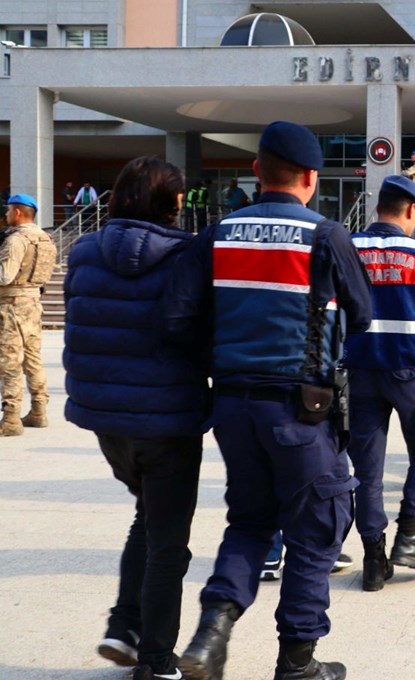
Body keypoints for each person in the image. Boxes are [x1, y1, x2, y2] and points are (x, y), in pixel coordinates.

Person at [167, 121, 372, 680]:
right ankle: (298, 661)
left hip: (232, 406)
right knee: (317, 528)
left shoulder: (215, 235)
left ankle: (211, 637)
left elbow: (179, 319)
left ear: (257, 171)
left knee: (250, 523)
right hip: (301, 411)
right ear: (311, 178)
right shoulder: (325, 236)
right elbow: (364, 315)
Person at [62, 157, 208, 680]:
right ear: (172, 204)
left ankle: (123, 626)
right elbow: (199, 330)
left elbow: (80, 324)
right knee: (169, 540)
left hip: (107, 420)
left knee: (147, 517)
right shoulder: (187, 257)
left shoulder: (82, 251)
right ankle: (155, 659)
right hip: (168, 418)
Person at [344, 176, 415, 592]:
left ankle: (372, 559)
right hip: (409, 371)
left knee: (367, 470)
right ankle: (410, 536)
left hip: (360, 370)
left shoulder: (349, 247)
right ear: (409, 210)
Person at [0, 194, 55, 436]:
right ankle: (39, 410)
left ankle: (11, 419)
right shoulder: (46, 239)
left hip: (11, 305)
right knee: (33, 358)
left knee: (9, 360)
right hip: (33, 302)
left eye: (9, 211)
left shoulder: (16, 241)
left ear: (18, 212)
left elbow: (4, 276)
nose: (6, 215)